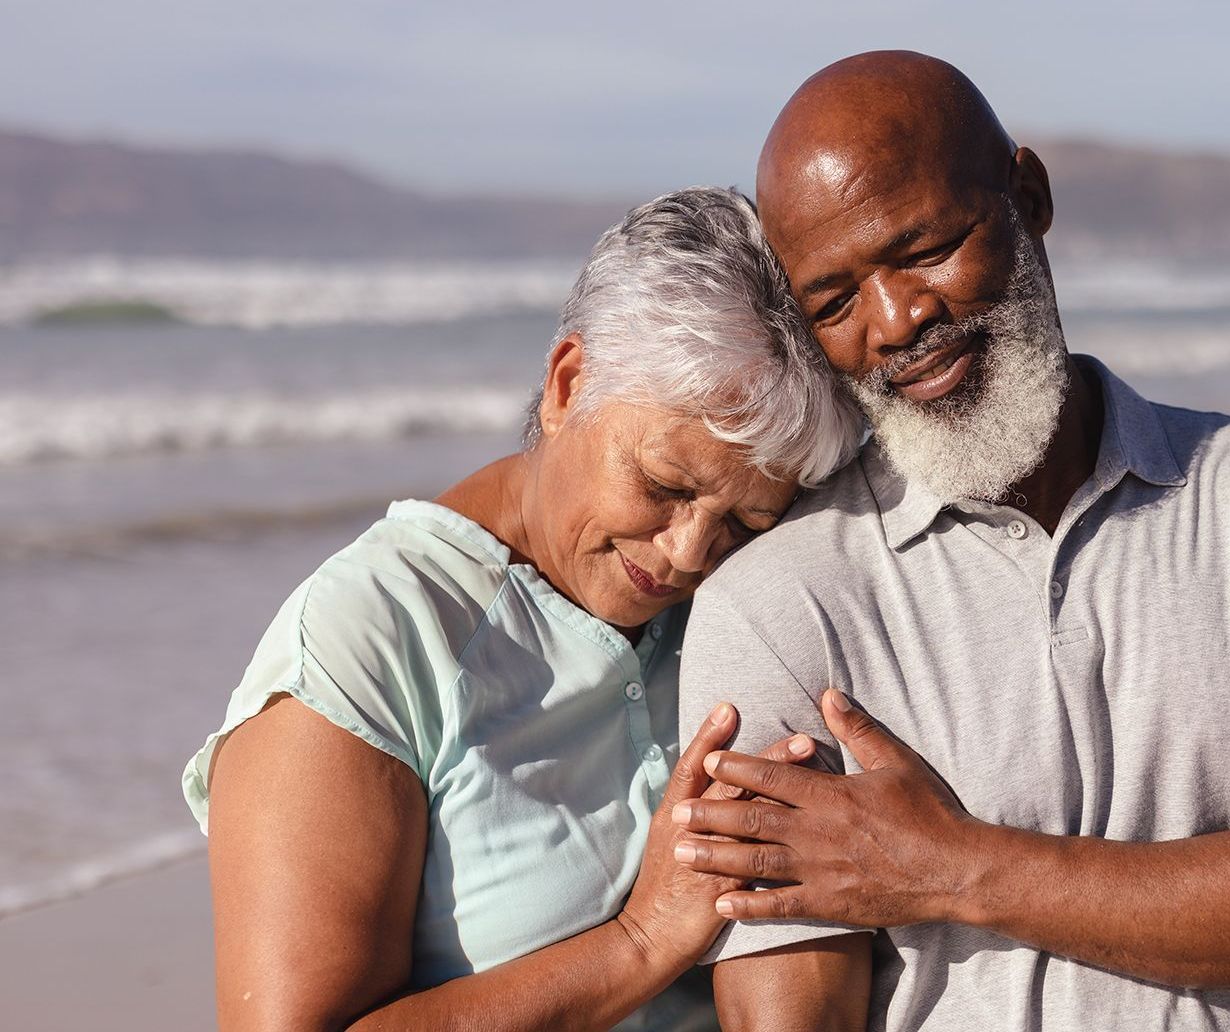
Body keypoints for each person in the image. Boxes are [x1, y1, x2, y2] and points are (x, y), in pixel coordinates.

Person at [672, 53, 1230, 1031]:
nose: (897, 319)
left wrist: (945, 868)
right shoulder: (777, 606)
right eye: (834, 302)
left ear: (1026, 196)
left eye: (927, 246)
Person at [180, 187, 864, 1032]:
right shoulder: (372, 635)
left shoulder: (747, 598)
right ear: (567, 384)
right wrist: (641, 941)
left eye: (745, 519)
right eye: (663, 486)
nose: (689, 552)